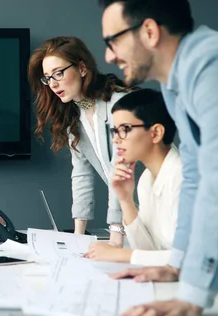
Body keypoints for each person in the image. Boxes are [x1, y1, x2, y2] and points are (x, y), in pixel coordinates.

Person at [100, 0, 218, 314]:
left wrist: (192, 296)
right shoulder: (173, 85)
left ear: (150, 31)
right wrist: (177, 265)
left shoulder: (210, 64)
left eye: (112, 41)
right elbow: (195, 175)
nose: (108, 56)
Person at [27, 36, 132, 245]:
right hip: (133, 216)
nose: (53, 84)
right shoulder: (75, 118)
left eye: (58, 73)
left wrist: (116, 233)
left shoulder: (119, 106)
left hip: (163, 206)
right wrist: (77, 237)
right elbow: (81, 176)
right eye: (48, 78)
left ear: (82, 68)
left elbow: (122, 169)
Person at [85, 89, 180, 266]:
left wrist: (118, 254)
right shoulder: (145, 180)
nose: (115, 140)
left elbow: (190, 260)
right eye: (115, 130)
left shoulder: (184, 179)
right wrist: (125, 200)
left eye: (125, 129)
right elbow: (148, 253)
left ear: (156, 133)